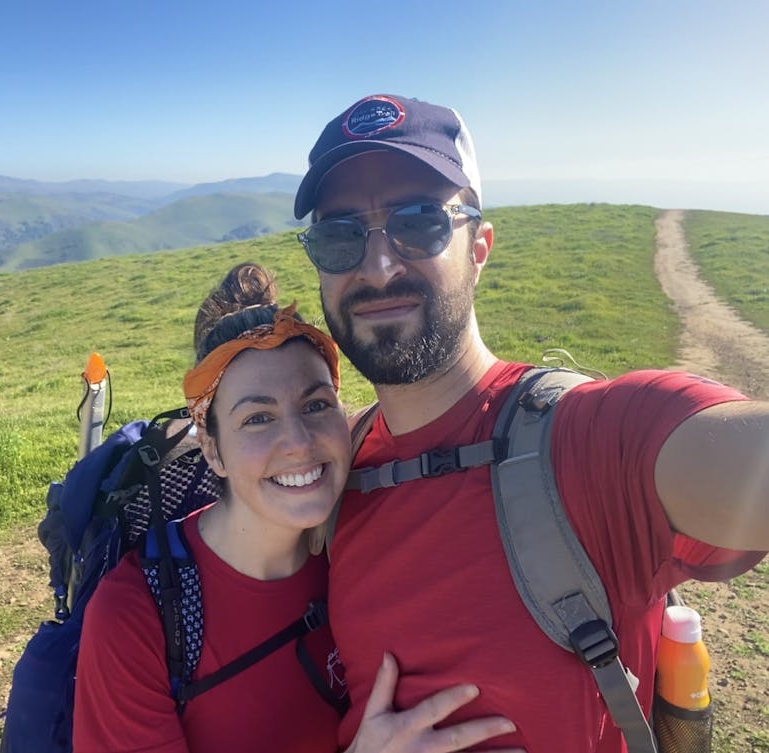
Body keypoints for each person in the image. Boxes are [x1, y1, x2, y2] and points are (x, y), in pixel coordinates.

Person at [292, 93, 769, 753]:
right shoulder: (328, 476)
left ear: (479, 245)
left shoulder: (589, 441)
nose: (377, 267)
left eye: (420, 222)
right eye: (341, 234)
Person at [72, 262, 524, 753]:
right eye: (258, 418)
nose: (298, 442)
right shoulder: (136, 616)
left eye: (315, 405)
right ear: (213, 449)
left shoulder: (367, 545)